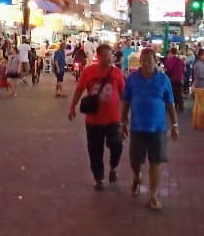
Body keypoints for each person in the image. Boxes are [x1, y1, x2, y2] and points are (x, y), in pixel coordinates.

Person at [121, 47, 179, 210]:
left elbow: (170, 104)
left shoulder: (163, 80)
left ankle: (153, 195)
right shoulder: (132, 79)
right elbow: (126, 102)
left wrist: (175, 125)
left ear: (156, 62)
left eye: (150, 61)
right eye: (144, 61)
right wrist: (122, 122)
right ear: (139, 62)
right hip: (137, 127)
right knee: (135, 160)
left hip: (158, 129)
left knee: (156, 162)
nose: (147, 64)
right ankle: (137, 175)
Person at [68, 42, 125, 190]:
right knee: (95, 149)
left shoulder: (117, 73)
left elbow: (124, 95)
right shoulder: (89, 71)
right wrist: (72, 107)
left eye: (110, 55)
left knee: (116, 144)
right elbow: (79, 89)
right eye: (106, 56)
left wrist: (126, 116)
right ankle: (98, 177)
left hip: (113, 118)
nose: (109, 58)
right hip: (94, 119)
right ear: (99, 57)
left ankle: (113, 166)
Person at [191, 48, 204, 130]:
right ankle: (200, 124)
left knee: (197, 106)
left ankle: (196, 124)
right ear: (200, 56)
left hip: (198, 86)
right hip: (201, 87)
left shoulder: (198, 64)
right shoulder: (200, 65)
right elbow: (199, 76)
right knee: (201, 107)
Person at [164, 45, 185, 111]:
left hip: (171, 79)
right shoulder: (180, 60)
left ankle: (173, 106)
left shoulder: (168, 60)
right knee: (179, 93)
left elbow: (166, 70)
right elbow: (183, 69)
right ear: (176, 52)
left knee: (172, 93)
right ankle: (181, 107)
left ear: (170, 52)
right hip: (179, 79)